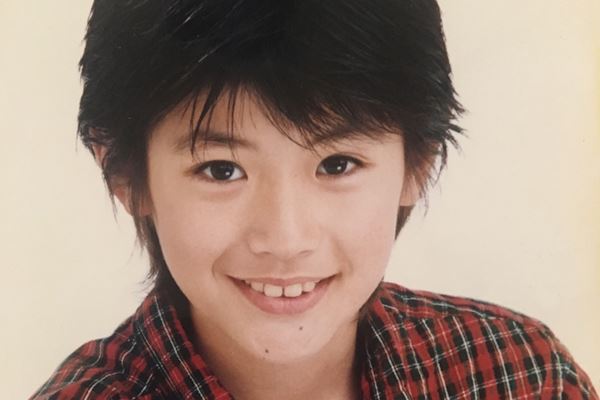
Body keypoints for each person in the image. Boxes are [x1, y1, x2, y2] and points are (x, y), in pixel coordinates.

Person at [30, 0, 597, 399]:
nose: (285, 239)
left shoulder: (519, 375)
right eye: (222, 170)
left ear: (416, 167)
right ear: (126, 176)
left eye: (337, 164)